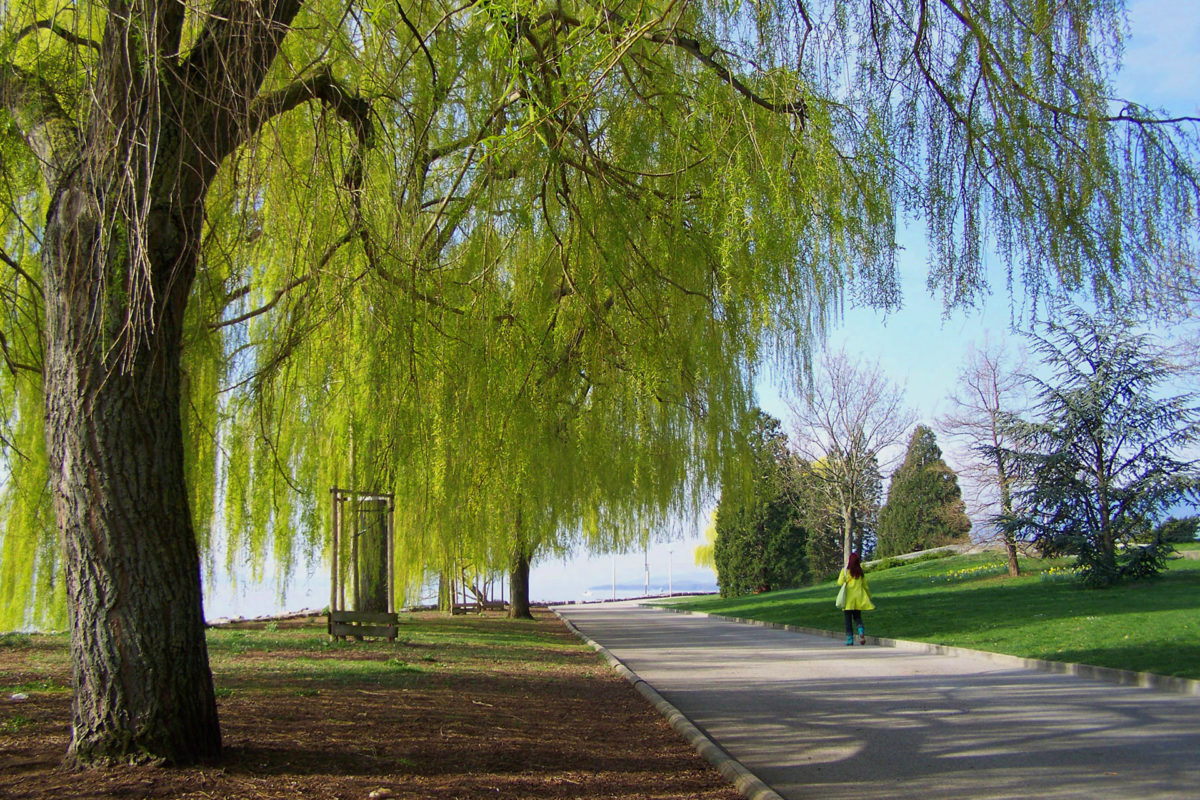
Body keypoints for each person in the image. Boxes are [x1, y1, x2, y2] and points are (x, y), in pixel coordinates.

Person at [837, 552, 874, 645]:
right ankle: (861, 631)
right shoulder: (860, 572)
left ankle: (850, 639)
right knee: (858, 618)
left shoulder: (845, 571)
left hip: (848, 601)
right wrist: (869, 596)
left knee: (848, 621)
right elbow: (865, 586)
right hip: (858, 599)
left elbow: (839, 583)